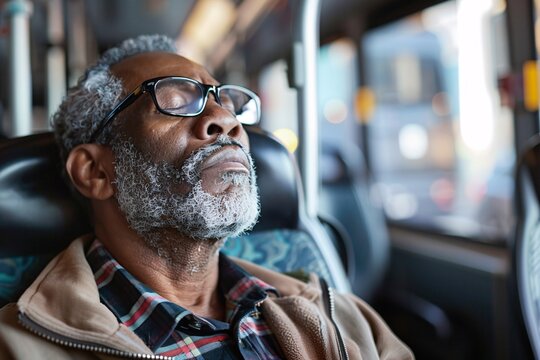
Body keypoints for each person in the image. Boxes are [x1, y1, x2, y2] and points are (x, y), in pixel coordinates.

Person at [0, 35, 413, 359]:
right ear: (96, 172)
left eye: (226, 101)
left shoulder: (340, 315)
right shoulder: (20, 346)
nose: (224, 120)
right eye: (177, 101)